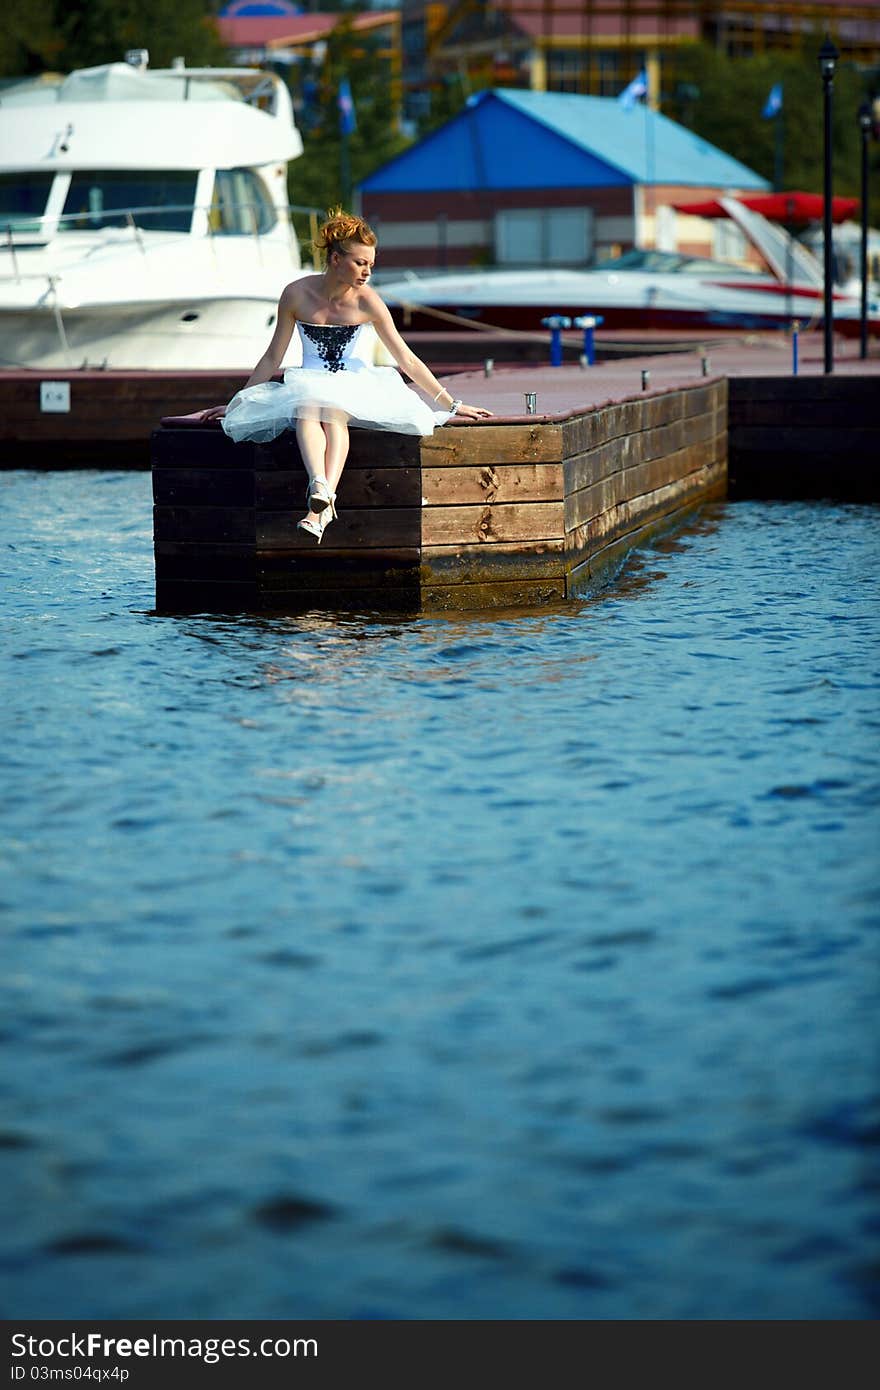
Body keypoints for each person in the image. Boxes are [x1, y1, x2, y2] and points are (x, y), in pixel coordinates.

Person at [200, 208, 493, 543]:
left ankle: (321, 501)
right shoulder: (296, 294)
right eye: (360, 263)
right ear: (336, 259)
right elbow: (272, 357)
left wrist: (453, 405)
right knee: (309, 407)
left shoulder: (368, 301)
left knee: (332, 411)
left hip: (353, 382)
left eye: (371, 263)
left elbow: (406, 359)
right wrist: (239, 403)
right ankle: (321, 494)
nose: (368, 271)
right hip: (309, 380)